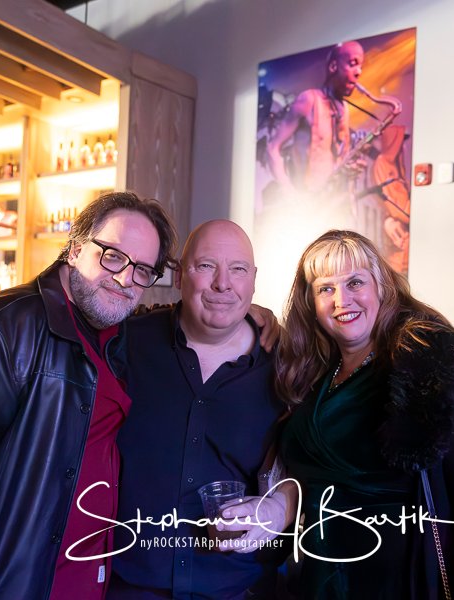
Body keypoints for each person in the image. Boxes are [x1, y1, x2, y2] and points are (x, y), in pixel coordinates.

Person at [0, 191, 177, 600]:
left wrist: (248, 313)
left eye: (143, 270)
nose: (126, 279)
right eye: (112, 256)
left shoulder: (117, 337)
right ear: (75, 249)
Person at [275, 230, 454, 598]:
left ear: (381, 287)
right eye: (325, 288)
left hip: (403, 581)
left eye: (355, 282)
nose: (341, 300)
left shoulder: (425, 364)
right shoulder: (316, 372)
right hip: (322, 577)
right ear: (310, 302)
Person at [109, 220, 293, 599]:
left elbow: (314, 469)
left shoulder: (286, 366)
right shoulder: (127, 342)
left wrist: (281, 507)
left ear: (253, 280)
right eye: (206, 266)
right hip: (126, 586)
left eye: (238, 269)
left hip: (238, 589)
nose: (223, 284)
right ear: (179, 275)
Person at [266, 41, 365, 197]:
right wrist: (288, 190)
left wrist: (351, 166)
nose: (359, 72)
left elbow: (339, 158)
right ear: (333, 66)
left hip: (331, 200)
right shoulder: (309, 99)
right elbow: (272, 147)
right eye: (353, 64)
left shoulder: (344, 108)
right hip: (306, 199)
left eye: (361, 66)